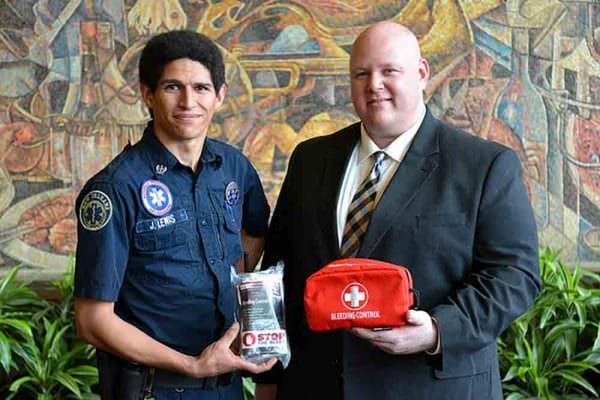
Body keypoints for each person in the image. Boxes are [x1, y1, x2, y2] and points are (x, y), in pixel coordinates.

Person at [254, 21, 540, 400]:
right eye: (362, 73)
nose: (374, 84)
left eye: (389, 71)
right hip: (314, 387)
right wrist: (269, 380)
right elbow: (280, 274)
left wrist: (438, 330)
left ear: (421, 74)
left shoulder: (483, 165)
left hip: (429, 386)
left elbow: (515, 275)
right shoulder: (310, 159)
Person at [74, 30, 276, 400]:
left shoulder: (234, 168)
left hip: (228, 388)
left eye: (201, 88)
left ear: (220, 95)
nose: (188, 101)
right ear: (147, 94)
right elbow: (92, 321)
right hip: (155, 390)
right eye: (172, 87)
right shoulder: (114, 189)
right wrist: (192, 365)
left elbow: (254, 232)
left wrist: (237, 289)